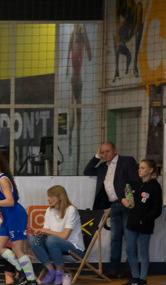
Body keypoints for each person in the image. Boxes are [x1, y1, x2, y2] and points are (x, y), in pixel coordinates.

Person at [0, 148, 39, 285]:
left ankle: (32, 281)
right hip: (7, 217)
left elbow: (10, 201)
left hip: (15, 215)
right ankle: (23, 271)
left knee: (18, 249)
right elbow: (2, 201)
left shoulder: (3, 180)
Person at [83, 141, 139, 278]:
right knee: (115, 239)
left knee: (129, 238)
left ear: (115, 150)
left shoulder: (127, 161)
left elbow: (135, 181)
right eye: (102, 152)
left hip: (127, 203)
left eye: (107, 151)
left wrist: (129, 198)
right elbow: (87, 171)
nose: (105, 154)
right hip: (113, 205)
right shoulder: (102, 167)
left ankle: (131, 269)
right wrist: (97, 156)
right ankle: (114, 269)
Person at [29, 185, 85, 285]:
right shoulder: (49, 210)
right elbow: (46, 231)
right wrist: (41, 232)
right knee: (34, 240)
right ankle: (51, 271)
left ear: (60, 197)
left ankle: (60, 271)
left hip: (74, 249)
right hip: (54, 247)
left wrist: (45, 230)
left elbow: (64, 236)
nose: (48, 199)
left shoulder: (71, 210)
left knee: (52, 240)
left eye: (51, 196)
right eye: (48, 196)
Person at [120, 159, 163, 285]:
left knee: (143, 251)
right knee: (129, 249)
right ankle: (135, 276)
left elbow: (157, 209)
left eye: (143, 168)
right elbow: (129, 201)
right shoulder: (134, 184)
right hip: (132, 222)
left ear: (150, 170)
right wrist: (124, 201)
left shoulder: (154, 186)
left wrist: (144, 219)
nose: (139, 170)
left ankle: (143, 279)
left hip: (145, 224)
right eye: (139, 167)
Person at [67, 24, 92, 173]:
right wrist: (66, 70)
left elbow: (90, 55)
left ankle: (77, 167)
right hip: (73, 82)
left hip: (80, 83)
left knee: (79, 120)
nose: (78, 27)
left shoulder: (82, 42)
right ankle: (70, 139)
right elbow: (67, 57)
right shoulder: (72, 38)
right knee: (71, 120)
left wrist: (85, 34)